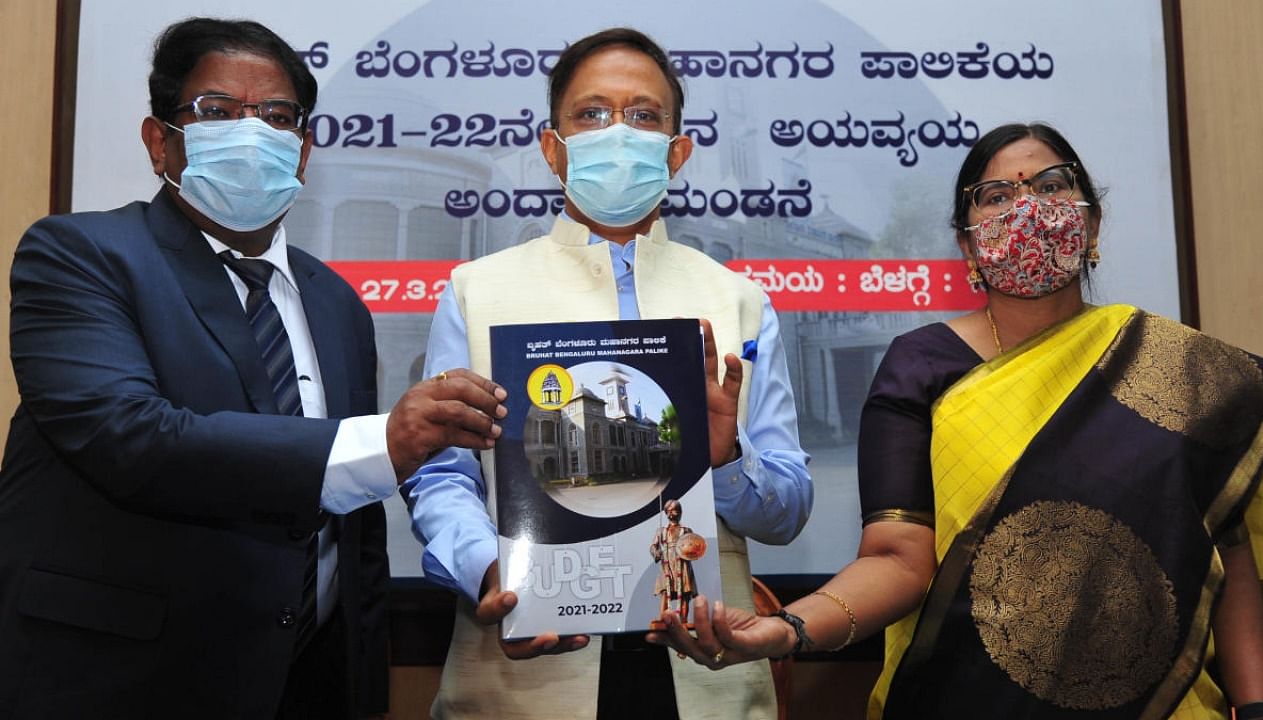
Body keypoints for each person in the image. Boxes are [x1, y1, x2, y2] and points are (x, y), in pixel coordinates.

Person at [654, 122, 1263, 720]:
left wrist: (1259, 706)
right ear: (968, 242)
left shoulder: (1172, 368)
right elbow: (898, 561)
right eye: (997, 196)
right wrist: (788, 628)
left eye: (1052, 186)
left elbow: (1225, 551)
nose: (1027, 207)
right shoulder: (921, 366)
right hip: (967, 698)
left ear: (1090, 221)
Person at [0, 18, 506, 720]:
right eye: (215, 112)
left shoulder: (335, 303)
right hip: (127, 684)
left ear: (302, 150)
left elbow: (353, 535)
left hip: (310, 687)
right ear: (159, 141)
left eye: (275, 116)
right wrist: (381, 442)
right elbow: (132, 439)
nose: (250, 132)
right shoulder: (80, 256)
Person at [400, 27, 813, 720]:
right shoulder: (475, 291)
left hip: (706, 669)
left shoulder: (737, 299)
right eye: (591, 114)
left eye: (643, 115)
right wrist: (489, 570)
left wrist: (727, 463)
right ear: (551, 146)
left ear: (677, 151)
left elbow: (790, 507)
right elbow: (441, 477)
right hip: (524, 671)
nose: (617, 132)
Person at [651, 499, 700, 624]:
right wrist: (656, 552)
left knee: (685, 592)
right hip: (667, 563)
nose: (672, 513)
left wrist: (691, 551)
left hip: (682, 564)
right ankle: (663, 617)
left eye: (674, 510)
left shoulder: (686, 530)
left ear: (679, 512)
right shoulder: (661, 531)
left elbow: (694, 545)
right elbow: (653, 546)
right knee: (664, 591)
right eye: (669, 511)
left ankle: (683, 619)